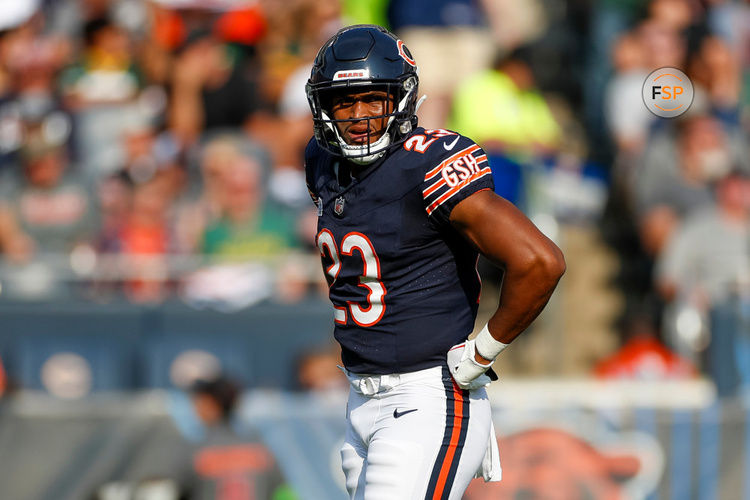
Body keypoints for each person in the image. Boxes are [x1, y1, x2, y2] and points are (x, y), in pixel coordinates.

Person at [304, 25, 565, 499]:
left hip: (428, 396)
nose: (359, 115)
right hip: (360, 396)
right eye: (344, 102)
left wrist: (483, 351)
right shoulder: (322, 162)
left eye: (372, 98)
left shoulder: (427, 163)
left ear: (400, 99)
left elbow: (540, 260)